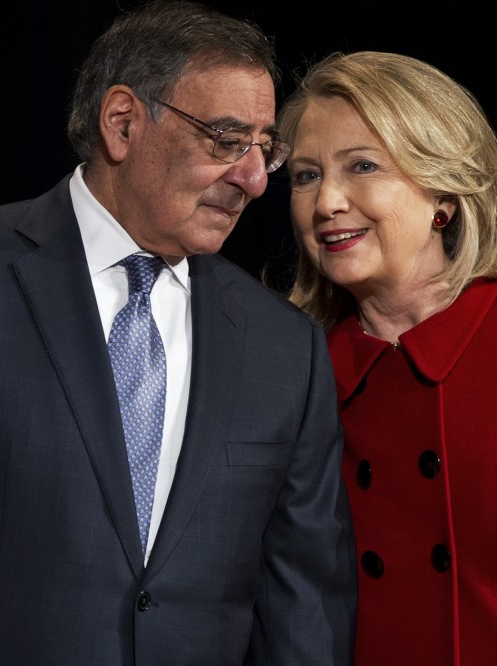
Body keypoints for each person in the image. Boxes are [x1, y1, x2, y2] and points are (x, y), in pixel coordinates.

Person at [0, 1, 356, 663]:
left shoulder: (286, 349)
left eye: (265, 150)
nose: (255, 181)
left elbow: (303, 618)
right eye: (227, 141)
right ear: (122, 123)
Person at [278, 50, 497, 665]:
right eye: (305, 176)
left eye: (363, 166)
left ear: (444, 197)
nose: (326, 204)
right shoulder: (294, 374)